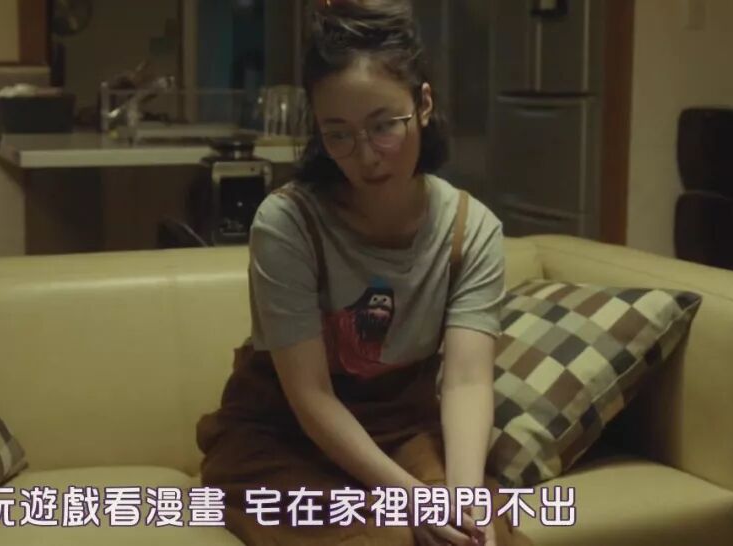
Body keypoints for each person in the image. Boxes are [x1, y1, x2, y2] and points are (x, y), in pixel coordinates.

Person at [196, 1, 530, 545]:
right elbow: (312, 396)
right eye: (339, 134)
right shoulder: (287, 224)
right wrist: (411, 499)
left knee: (480, 533)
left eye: (383, 127)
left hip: (402, 431)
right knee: (388, 536)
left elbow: (467, 381)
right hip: (282, 438)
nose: (367, 155)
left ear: (423, 104)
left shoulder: (471, 230)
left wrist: (463, 501)